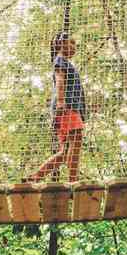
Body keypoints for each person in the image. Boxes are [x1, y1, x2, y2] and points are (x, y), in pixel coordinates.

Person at [25, 31, 86, 183]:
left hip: (69, 108)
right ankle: (73, 182)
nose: (74, 47)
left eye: (75, 44)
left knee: (65, 152)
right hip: (66, 106)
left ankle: (36, 176)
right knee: (76, 141)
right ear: (60, 44)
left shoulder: (65, 62)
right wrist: (60, 102)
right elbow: (60, 81)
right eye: (71, 43)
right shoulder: (60, 61)